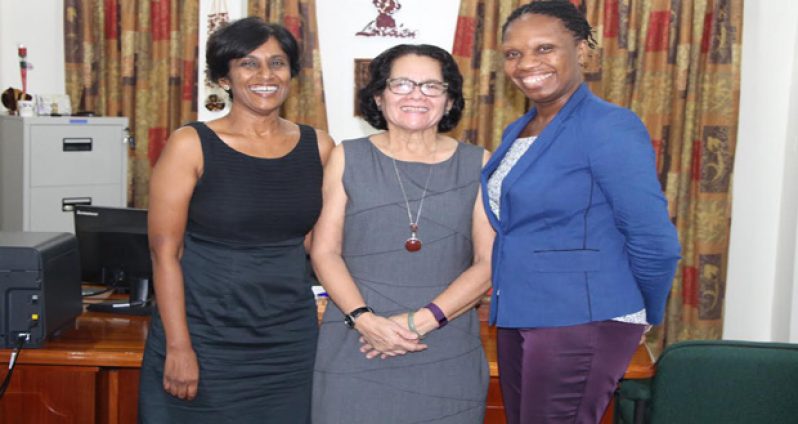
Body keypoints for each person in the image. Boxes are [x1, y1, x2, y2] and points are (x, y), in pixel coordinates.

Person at [482, 1, 681, 423]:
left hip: (583, 317)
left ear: (582, 51)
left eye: (544, 48)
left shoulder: (609, 126)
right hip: (522, 312)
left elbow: (654, 240)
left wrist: (638, 312)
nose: (526, 63)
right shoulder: (517, 129)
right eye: (514, 53)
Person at [138, 17, 334, 423]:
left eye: (277, 63)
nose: (266, 75)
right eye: (248, 63)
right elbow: (164, 255)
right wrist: (178, 347)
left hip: (288, 342)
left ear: (291, 73)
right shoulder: (190, 145)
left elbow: (322, 247)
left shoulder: (319, 146)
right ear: (224, 78)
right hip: (202, 335)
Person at [311, 44, 494, 423]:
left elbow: (489, 261)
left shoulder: (479, 162)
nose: (416, 95)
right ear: (379, 96)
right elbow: (325, 251)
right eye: (402, 84)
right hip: (354, 340)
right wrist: (364, 319)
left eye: (432, 86)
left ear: (449, 100)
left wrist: (419, 322)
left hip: (444, 346)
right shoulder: (346, 156)